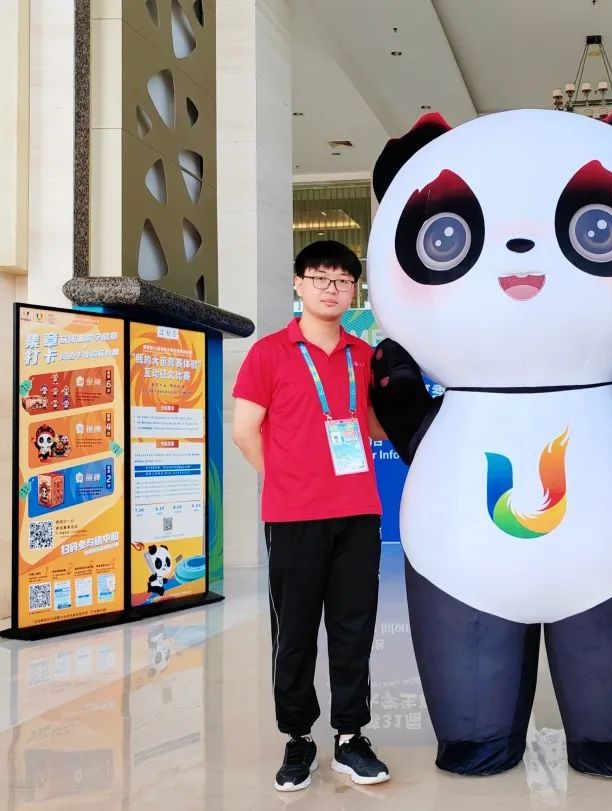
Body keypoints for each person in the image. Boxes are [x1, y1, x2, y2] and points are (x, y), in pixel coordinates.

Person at [232, 240, 391, 792]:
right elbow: (244, 431)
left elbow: (373, 426)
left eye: (343, 280)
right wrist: (284, 481)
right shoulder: (269, 352)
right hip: (294, 516)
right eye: (321, 277)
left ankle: (350, 736)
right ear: (299, 284)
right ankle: (298, 737)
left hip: (358, 512)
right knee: (295, 631)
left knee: (354, 627)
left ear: (354, 291)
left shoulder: (363, 356)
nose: (332, 288)